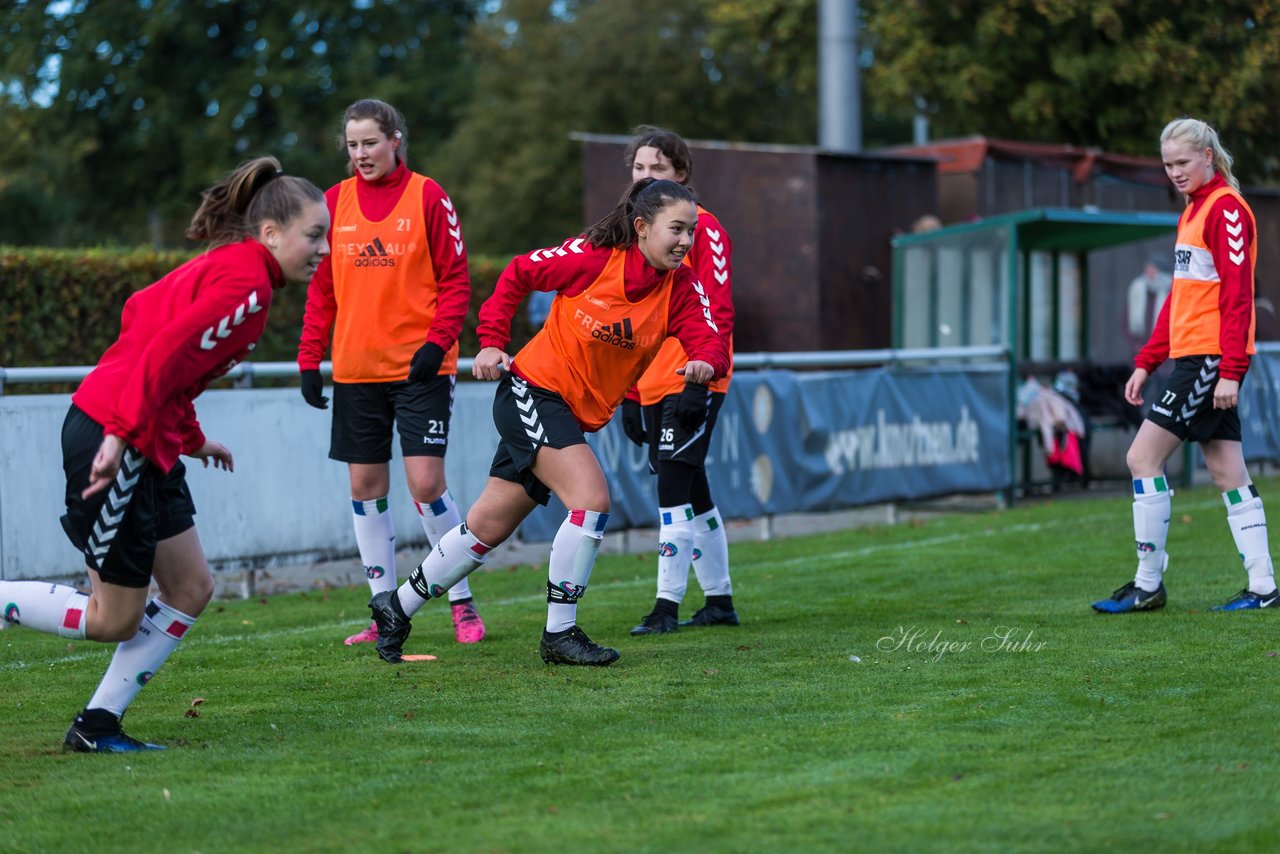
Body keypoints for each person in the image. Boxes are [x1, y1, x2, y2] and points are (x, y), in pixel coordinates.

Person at [0, 158, 329, 752]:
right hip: (114, 435)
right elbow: (160, 349)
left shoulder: (235, 271)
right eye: (314, 234)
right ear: (271, 234)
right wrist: (122, 433)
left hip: (143, 439)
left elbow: (145, 318)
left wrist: (190, 437)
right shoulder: (246, 283)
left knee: (190, 587)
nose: (324, 248)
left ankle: (96, 726)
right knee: (113, 618)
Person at [367, 177, 731, 665]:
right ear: (642, 228)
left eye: (691, 232)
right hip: (532, 391)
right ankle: (560, 634)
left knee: (486, 527)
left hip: (565, 413)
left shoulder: (681, 286)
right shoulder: (594, 257)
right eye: (677, 230)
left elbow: (710, 338)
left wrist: (706, 365)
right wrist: (493, 339)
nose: (686, 242)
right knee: (591, 500)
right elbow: (517, 273)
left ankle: (397, 607)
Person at [297, 99, 485, 646]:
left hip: (420, 367)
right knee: (364, 485)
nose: (361, 154)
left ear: (395, 139)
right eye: (352, 145)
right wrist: (310, 360)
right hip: (356, 370)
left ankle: (460, 596)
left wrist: (437, 343)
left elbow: (455, 280)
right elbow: (321, 289)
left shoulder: (428, 195)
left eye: (370, 142)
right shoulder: (333, 202)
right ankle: (384, 610)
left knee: (426, 485)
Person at [1092, 117, 1276, 614]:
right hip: (1197, 357)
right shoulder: (1194, 211)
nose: (1174, 172)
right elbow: (1180, 300)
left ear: (1207, 158)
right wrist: (1147, 360)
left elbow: (1240, 298)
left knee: (1141, 459)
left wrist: (1232, 369)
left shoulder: (1226, 210)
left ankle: (1148, 585)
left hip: (1210, 360)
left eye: (1182, 162)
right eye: (1167, 164)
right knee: (1226, 471)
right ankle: (1264, 587)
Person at [615, 126, 740, 635]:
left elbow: (719, 309)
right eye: (639, 168)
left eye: (658, 169)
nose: (646, 177)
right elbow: (625, 315)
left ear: (681, 175)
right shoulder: (636, 229)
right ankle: (720, 602)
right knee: (693, 486)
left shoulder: (702, 228)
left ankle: (665, 606)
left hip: (694, 376)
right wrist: (626, 391)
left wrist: (700, 382)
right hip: (651, 379)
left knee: (672, 484)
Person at [1125, 256, 1173, 353]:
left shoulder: (1170, 292)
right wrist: (1135, 344)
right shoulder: (1137, 290)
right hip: (1139, 348)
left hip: (1163, 351)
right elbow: (1125, 321)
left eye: (1153, 268)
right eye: (1148, 268)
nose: (1149, 271)